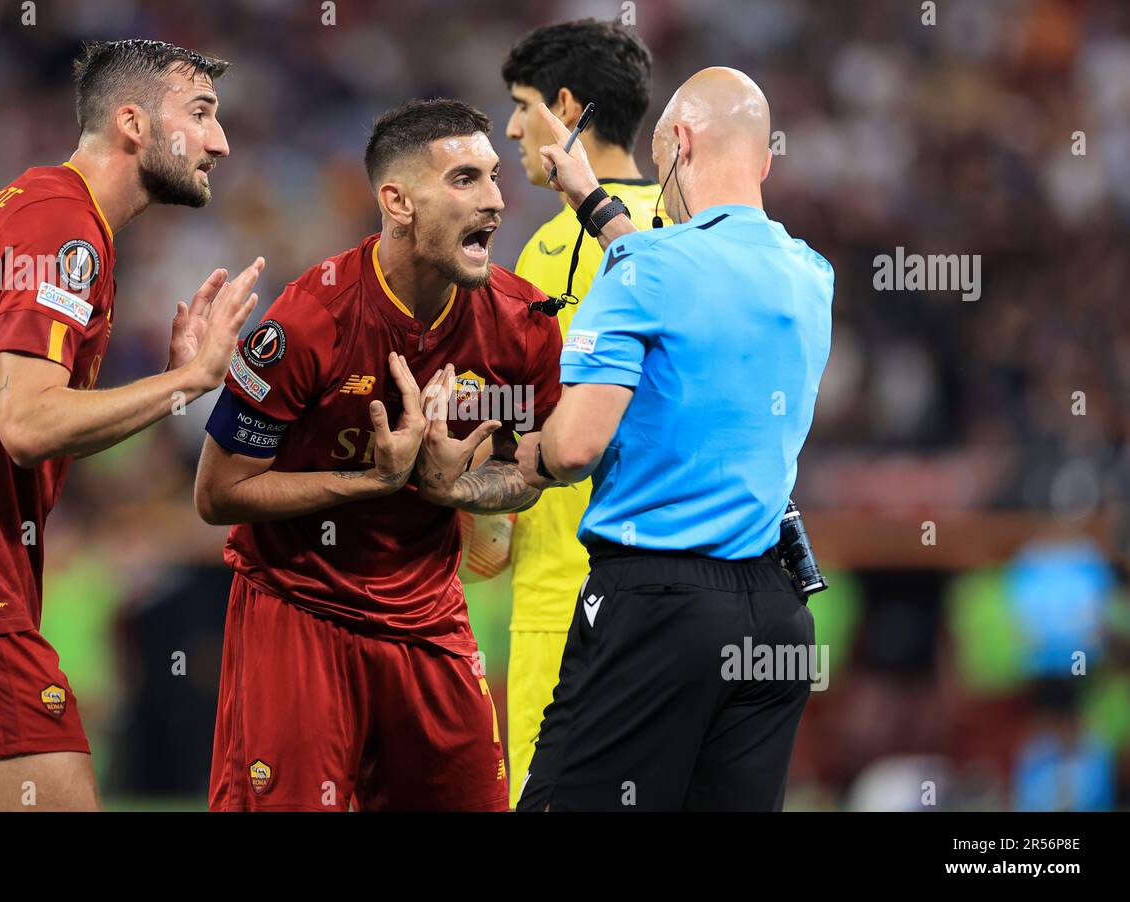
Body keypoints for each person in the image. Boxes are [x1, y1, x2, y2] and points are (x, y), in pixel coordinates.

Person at [0, 39, 262, 811]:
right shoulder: (65, 228)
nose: (220, 141)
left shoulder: (38, 207)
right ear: (132, 123)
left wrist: (164, 385)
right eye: (199, 115)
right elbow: (26, 423)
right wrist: (187, 382)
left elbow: (30, 430)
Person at [194, 99, 564, 811]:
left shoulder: (522, 326)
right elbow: (217, 495)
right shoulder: (307, 323)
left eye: (491, 177)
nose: (494, 198)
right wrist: (371, 480)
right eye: (464, 180)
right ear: (397, 201)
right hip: (298, 608)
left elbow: (536, 466)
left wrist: (460, 490)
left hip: (429, 619)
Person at [514, 68, 833, 811]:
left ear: (679, 142)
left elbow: (572, 450)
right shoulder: (810, 276)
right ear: (763, 159)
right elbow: (695, 281)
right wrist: (596, 205)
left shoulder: (647, 271)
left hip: (654, 610)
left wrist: (504, 450)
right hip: (774, 617)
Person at [489, 18, 667, 807]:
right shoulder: (694, 224)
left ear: (568, 106)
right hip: (686, 589)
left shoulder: (553, 247)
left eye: (523, 105)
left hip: (568, 589)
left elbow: (531, 415)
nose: (513, 128)